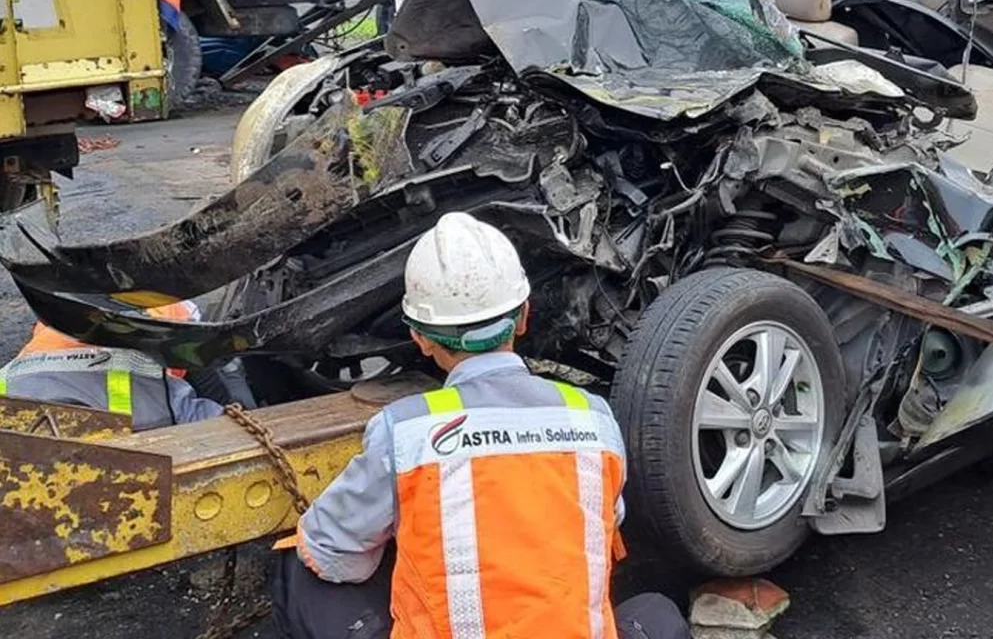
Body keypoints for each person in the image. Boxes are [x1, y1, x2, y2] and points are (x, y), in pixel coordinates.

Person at [271, 212, 689, 639]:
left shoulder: (408, 432)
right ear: (524, 316)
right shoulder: (594, 418)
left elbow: (333, 553)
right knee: (657, 613)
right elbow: (602, 528)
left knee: (299, 568)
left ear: (420, 338)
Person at [0, 300, 250, 430]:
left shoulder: (62, 307)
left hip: (13, 389)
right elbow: (219, 423)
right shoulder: (176, 312)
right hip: (136, 408)